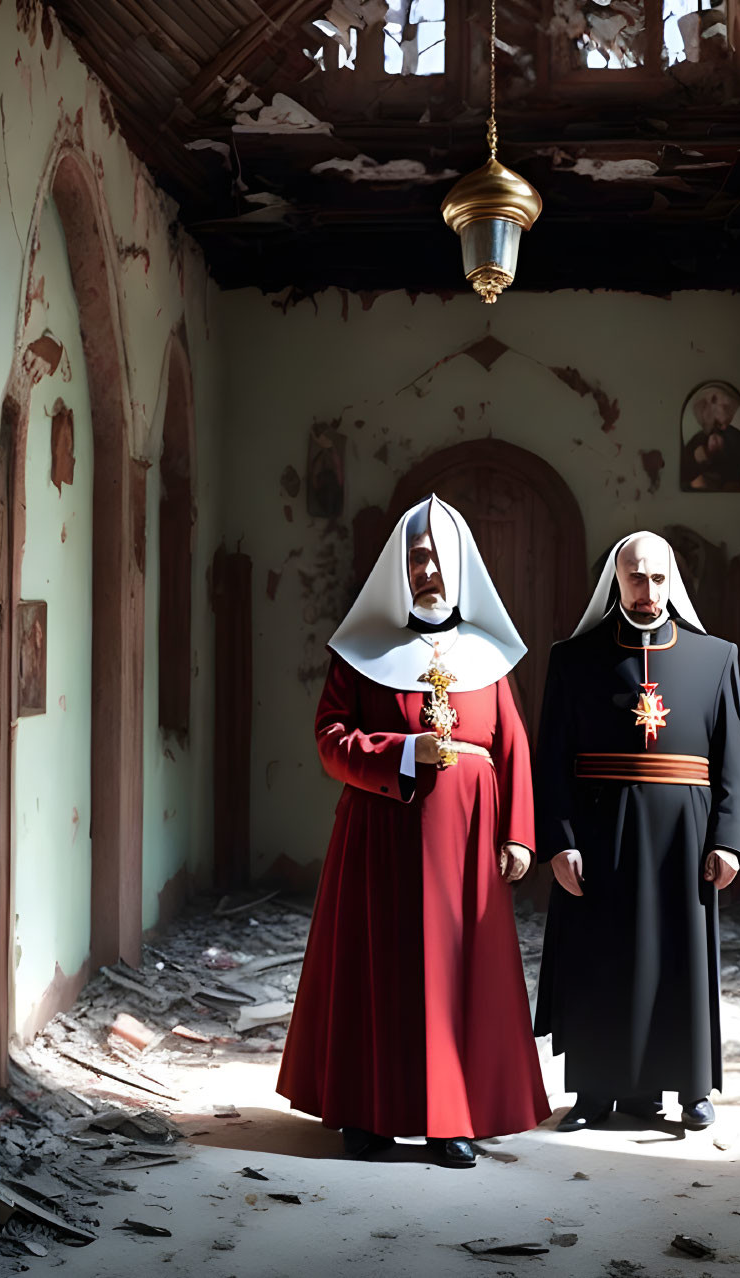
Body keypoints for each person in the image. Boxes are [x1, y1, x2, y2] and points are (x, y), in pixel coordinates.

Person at [277, 495, 549, 1169]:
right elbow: (330, 740)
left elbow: (512, 744)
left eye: (435, 556)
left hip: (466, 844)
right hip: (381, 838)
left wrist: (517, 833)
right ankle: (366, 1114)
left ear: (460, 566)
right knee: (380, 971)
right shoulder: (362, 650)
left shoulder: (487, 654)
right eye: (413, 557)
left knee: (455, 980)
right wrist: (402, 753)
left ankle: (448, 1119)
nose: (424, 568)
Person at [534, 531, 740, 1132]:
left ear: (673, 580)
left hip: (685, 846)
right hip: (600, 837)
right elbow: (550, 758)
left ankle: (691, 1090)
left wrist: (730, 840)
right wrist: (559, 840)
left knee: (680, 964)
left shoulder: (716, 658)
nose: (648, 590)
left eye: (658, 578)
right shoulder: (573, 660)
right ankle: (594, 1094)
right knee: (600, 961)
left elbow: (734, 755)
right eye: (636, 577)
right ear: (617, 580)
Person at [680, 384, 740, 492]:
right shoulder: (699, 440)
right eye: (716, 424)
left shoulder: (736, 439)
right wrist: (695, 460)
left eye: (717, 423)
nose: (723, 426)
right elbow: (684, 474)